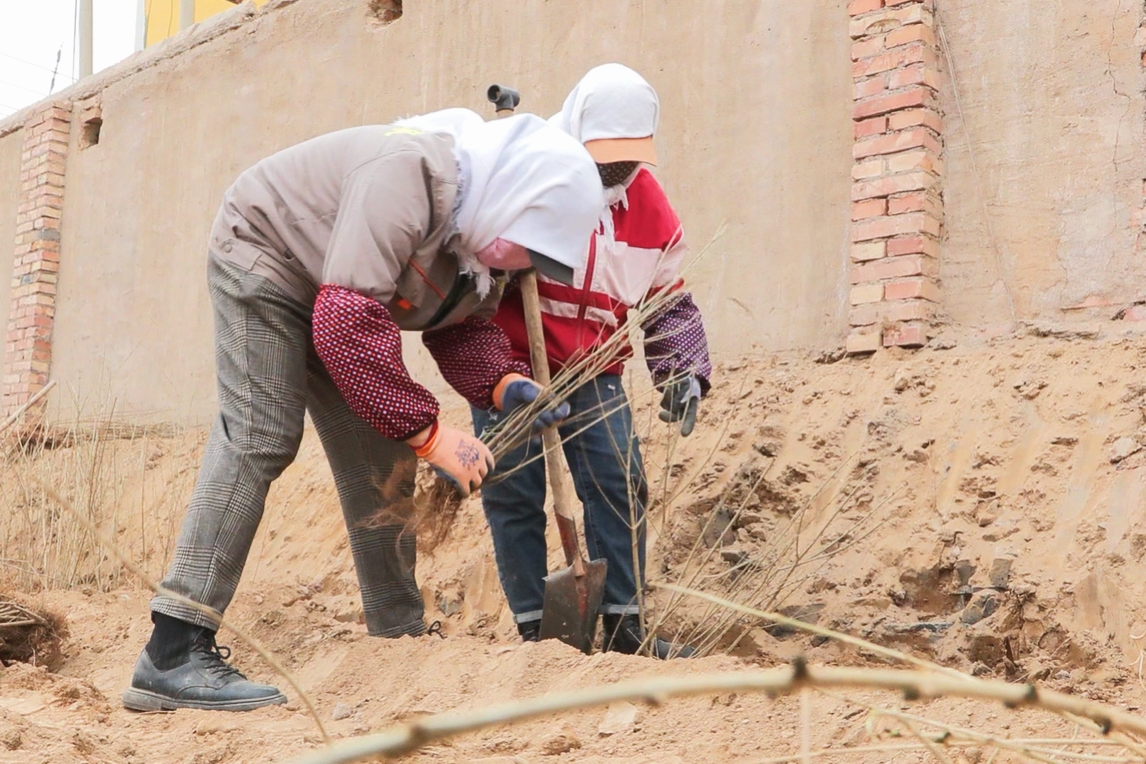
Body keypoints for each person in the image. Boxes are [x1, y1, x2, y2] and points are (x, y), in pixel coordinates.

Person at [122, 109, 603, 712]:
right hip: (266, 254)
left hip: (335, 293)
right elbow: (346, 321)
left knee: (382, 458)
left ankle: (397, 632)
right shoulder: (408, 176)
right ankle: (173, 648)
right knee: (261, 433)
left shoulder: (481, 244)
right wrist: (433, 437)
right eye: (526, 246)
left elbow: (459, 329)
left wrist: (504, 384)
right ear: (514, 199)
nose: (520, 262)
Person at [472, 65, 713, 659]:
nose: (616, 168)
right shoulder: (530, 171)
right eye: (605, 155)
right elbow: (471, 262)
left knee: (618, 483)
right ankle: (536, 632)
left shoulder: (651, 209)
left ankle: (626, 628)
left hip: (594, 368)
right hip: (510, 367)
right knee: (513, 491)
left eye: (628, 157)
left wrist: (683, 370)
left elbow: (666, 298)